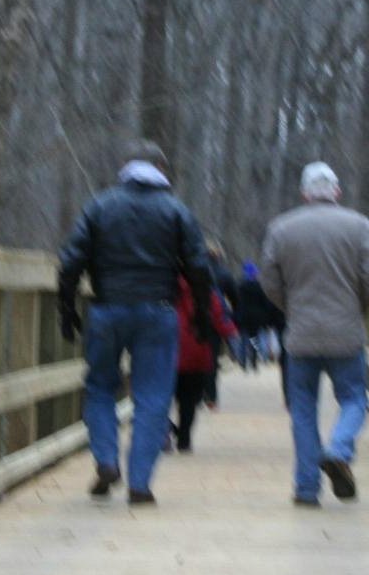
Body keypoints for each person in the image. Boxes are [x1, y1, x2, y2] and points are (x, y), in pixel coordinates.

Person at [57, 141, 212, 505]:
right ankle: (140, 482)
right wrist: (202, 314)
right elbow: (199, 267)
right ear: (161, 167)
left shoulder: (100, 206)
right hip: (158, 311)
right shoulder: (175, 210)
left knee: (99, 387)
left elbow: (70, 261)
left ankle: (107, 460)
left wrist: (67, 308)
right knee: (153, 396)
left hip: (108, 308)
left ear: (125, 167)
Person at [261, 162, 369, 507]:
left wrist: (291, 306)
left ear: (304, 194)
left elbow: (269, 280)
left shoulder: (281, 228)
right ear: (337, 192)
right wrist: (358, 304)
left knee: (303, 410)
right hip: (346, 332)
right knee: (353, 399)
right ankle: (339, 449)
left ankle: (306, 488)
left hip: (300, 334)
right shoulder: (358, 226)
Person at [169, 275, 237, 452]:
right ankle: (184, 438)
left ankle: (166, 431)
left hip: (170, 352)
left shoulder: (165, 286)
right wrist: (231, 331)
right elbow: (219, 318)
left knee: (161, 398)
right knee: (189, 401)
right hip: (198, 353)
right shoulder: (206, 291)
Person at [202, 243, 237, 407]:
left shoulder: (195, 271)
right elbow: (235, 298)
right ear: (219, 256)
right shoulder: (225, 274)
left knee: (195, 356)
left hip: (194, 319)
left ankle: (198, 392)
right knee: (212, 359)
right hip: (215, 321)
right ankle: (211, 396)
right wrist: (233, 318)